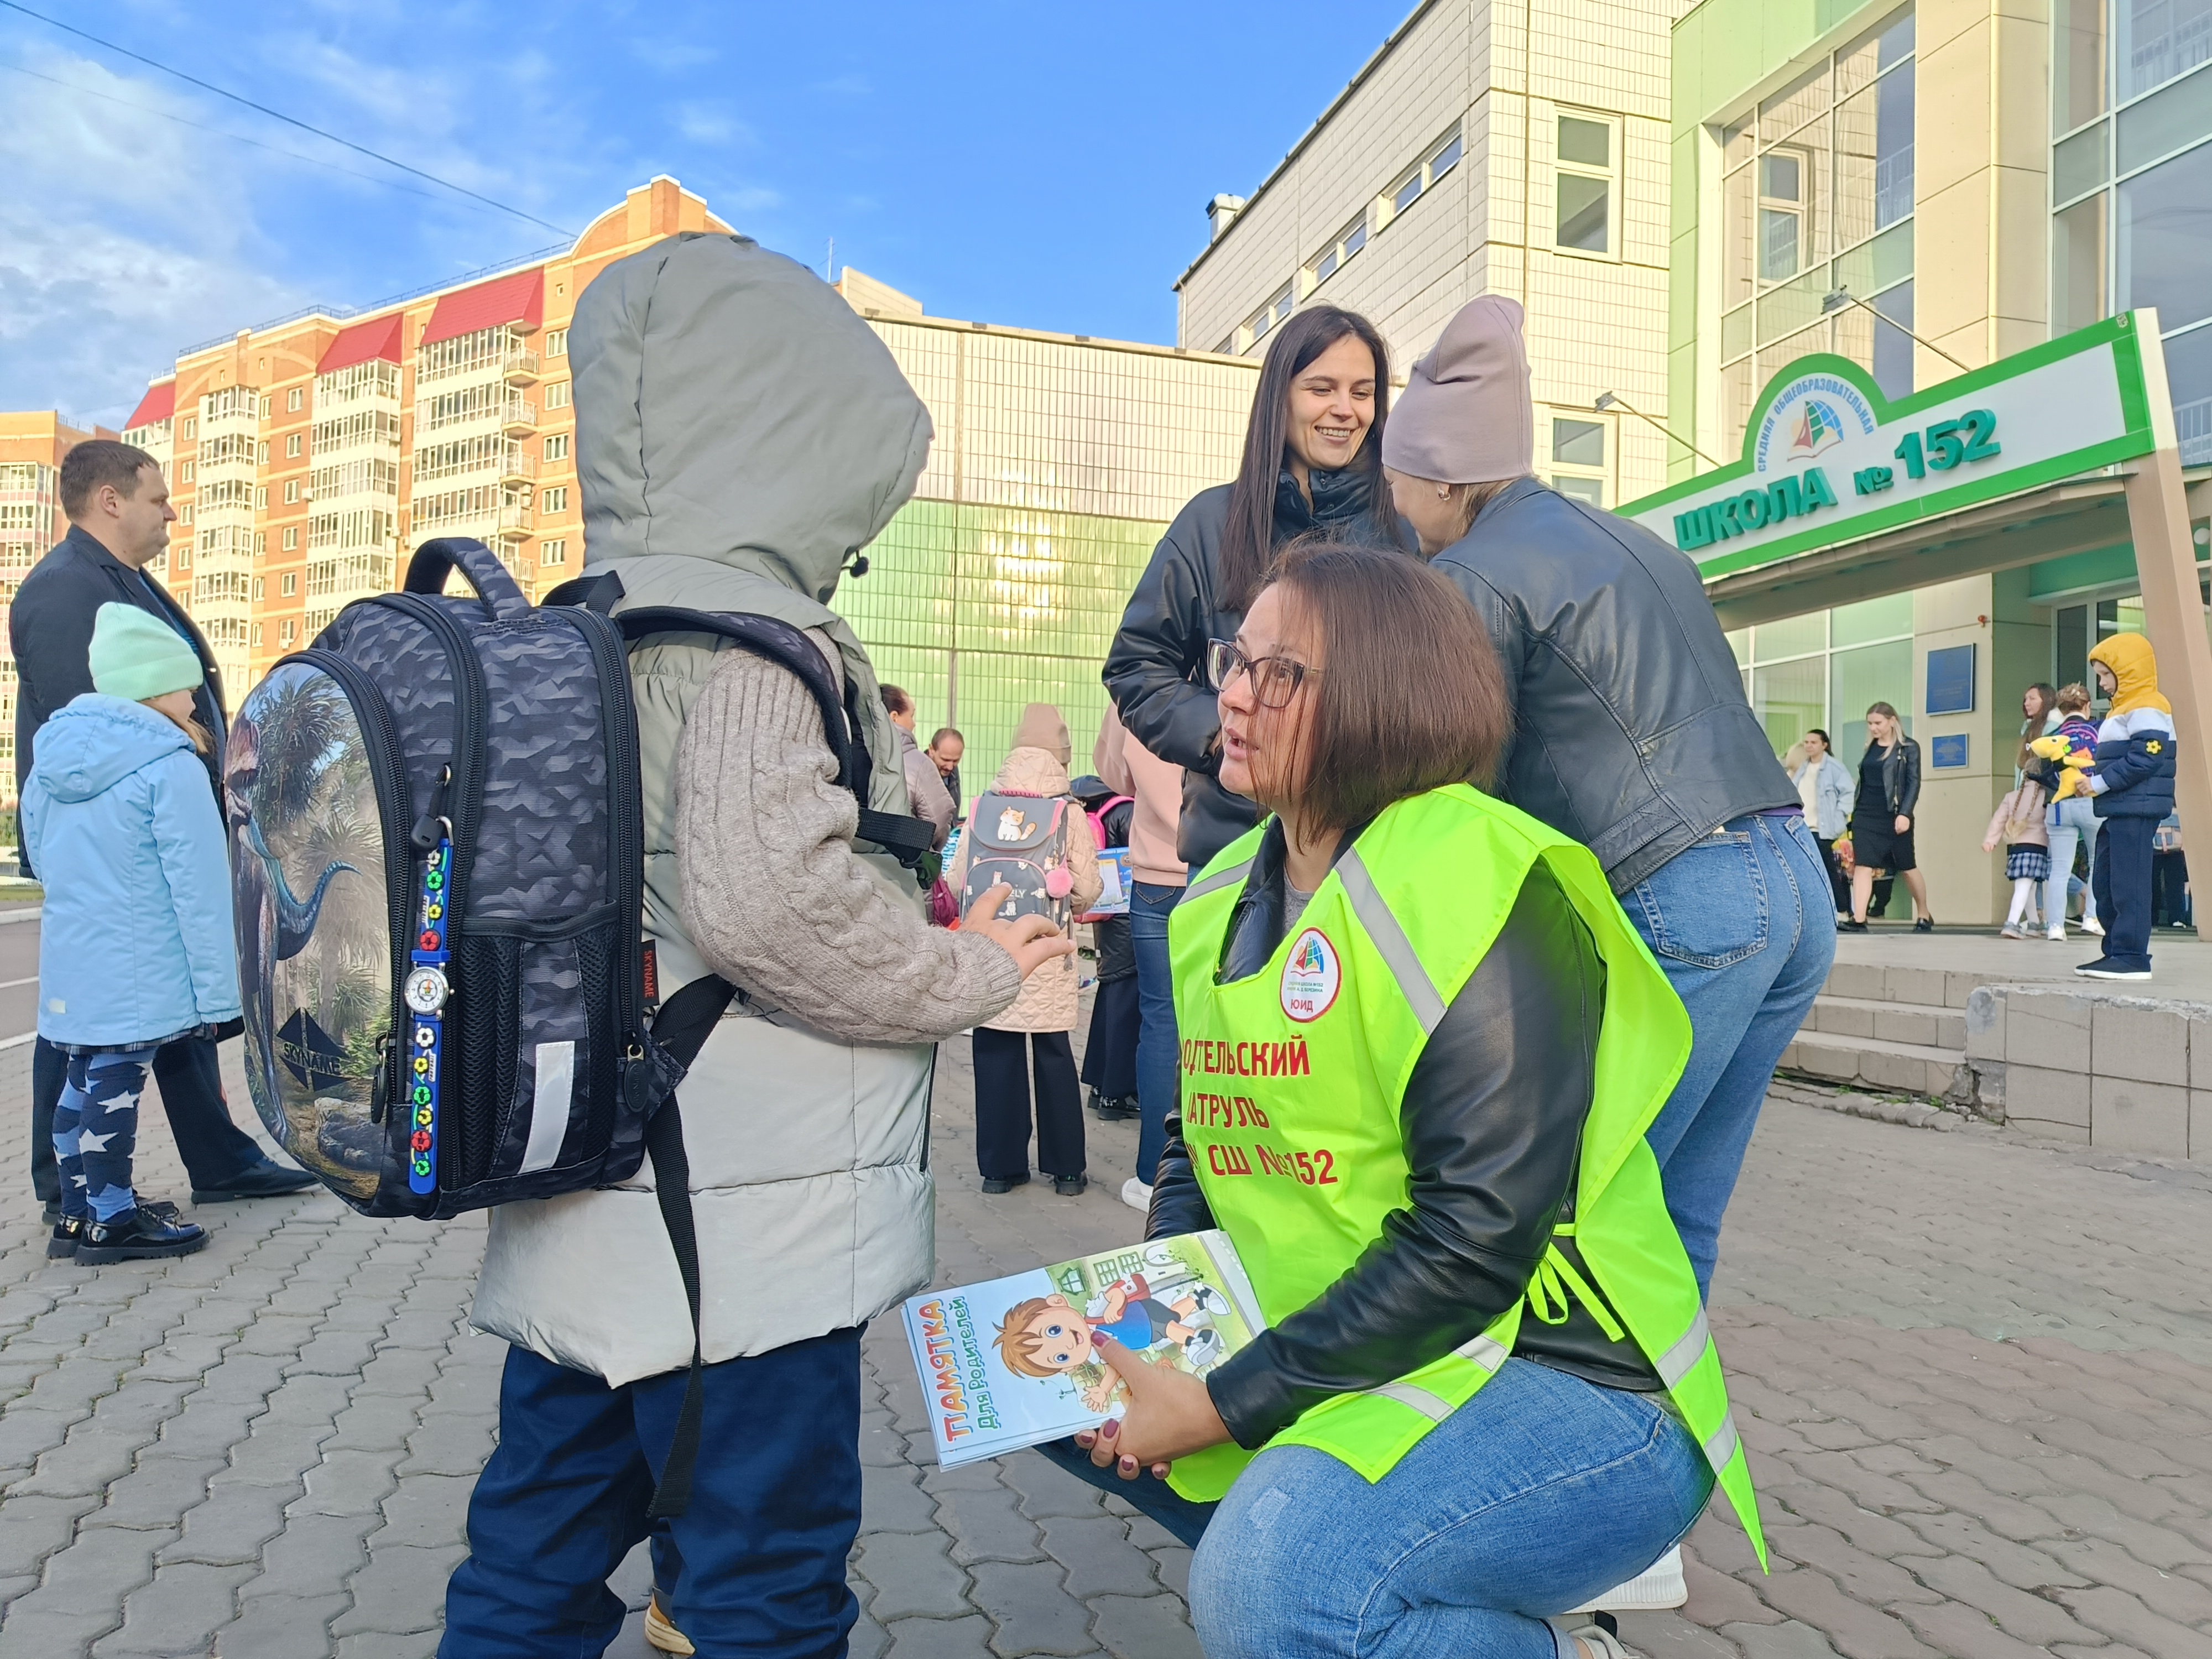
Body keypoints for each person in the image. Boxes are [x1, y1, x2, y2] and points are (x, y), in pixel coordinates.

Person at [444, 231, 1074, 1659]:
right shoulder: (753, 644)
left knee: (531, 1555)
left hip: (584, 1202)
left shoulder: (592, 624)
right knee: (762, 1584)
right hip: (745, 1240)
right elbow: (764, 904)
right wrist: (976, 969)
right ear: (807, 434)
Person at [1045, 542, 1764, 1659]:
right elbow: (1200, 1150)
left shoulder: (1478, 871)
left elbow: (1474, 1237)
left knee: (1272, 1581)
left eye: (1277, 673)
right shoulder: (1220, 899)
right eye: (1234, 658)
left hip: (1564, 1377)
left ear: (1383, 694)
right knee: (1064, 1394)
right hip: (1379, 1347)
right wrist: (1162, 1327)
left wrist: (1227, 1402)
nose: (1230, 692)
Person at [1380, 295, 1831, 1298]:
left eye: (1399, 485)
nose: (1396, 510)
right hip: (1794, 884)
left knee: (1586, 1216)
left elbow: (1461, 791)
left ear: (1444, 479)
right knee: (1677, 1218)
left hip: (1684, 894)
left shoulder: (1466, 578)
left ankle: (1569, 1440)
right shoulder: (1642, 544)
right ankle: (1678, 1440)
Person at [12, 440, 314, 1217]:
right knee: (84, 1019)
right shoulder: (63, 592)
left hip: (140, 836)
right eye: (157, 497)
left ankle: (218, 1160)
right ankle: (69, 1191)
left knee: (151, 1005)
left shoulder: (114, 582)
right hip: (117, 850)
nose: (172, 510)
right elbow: (92, 735)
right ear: (110, 500)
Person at [1104, 302, 1408, 878]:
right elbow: (1135, 667)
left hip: (1368, 851)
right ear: (1280, 397)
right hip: (1233, 850)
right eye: (1322, 388)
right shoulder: (1212, 522)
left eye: (1363, 392)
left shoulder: (1402, 529)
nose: (1345, 410)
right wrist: (1224, 733)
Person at [23, 604, 238, 1263]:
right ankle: (114, 1220)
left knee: (79, 1083)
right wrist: (220, 1000)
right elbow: (200, 889)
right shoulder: (168, 765)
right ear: (154, 686)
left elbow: (39, 853)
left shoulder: (51, 759)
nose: (195, 693)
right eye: (186, 681)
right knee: (116, 1088)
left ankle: (79, 1214)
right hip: (141, 964)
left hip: (73, 959)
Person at [950, 704, 1102, 1196]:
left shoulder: (982, 806)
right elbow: (1087, 889)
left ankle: (999, 1169)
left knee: (996, 1049)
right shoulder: (1068, 812)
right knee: (1055, 1056)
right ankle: (1066, 1172)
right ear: (1062, 756)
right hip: (1047, 949)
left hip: (991, 949)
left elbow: (957, 883)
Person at [1092, 702, 1184, 1213]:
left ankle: (1155, 1174)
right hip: (1238, 862)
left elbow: (1114, 772)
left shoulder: (1145, 676)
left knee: (1161, 1023)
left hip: (1156, 874)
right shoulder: (1245, 662)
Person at [2075, 633, 2175, 980]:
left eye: (2106, 674)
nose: (2101, 683)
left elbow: (2147, 756)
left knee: (2127, 884)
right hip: (2122, 807)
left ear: (2127, 671)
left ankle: (2132, 957)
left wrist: (2098, 782)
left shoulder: (2147, 705)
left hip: (2135, 808)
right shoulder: (2129, 708)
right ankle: (2118, 953)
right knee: (2107, 882)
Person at [1070, 774, 1139, 1121]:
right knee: (1130, 1010)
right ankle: (1117, 1094)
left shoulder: (1095, 811)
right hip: (1132, 920)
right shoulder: (1129, 812)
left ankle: (1099, 1086)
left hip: (1107, 919)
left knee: (1111, 1000)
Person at [1842, 703, 1932, 933]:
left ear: (1892, 721)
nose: (1873, 728)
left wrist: (1905, 813)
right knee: (1864, 865)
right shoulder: (1871, 747)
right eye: (1870, 723)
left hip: (1893, 815)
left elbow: (1914, 783)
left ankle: (1923, 913)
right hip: (1866, 814)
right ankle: (1860, 919)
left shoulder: (1908, 748)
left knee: (1907, 865)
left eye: (1878, 723)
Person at [2043, 684, 2105, 941]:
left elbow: (2041, 769)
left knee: (2059, 868)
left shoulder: (2053, 734)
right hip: (2092, 802)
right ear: (2088, 706)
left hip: (2060, 805)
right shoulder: (2098, 731)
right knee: (2097, 863)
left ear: (2060, 709)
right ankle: (2091, 918)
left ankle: (2056, 926)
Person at [880, 684, 953, 851]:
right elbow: (940, 819)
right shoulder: (918, 763)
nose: (914, 724)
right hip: (904, 865)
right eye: (912, 715)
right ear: (894, 718)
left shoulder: (853, 752)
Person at [1790, 729, 1855, 915]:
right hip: (1804, 827)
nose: (1809, 746)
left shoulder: (1834, 768)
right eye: (1806, 742)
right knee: (1825, 869)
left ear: (1824, 745)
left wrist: (1840, 816)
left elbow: (1848, 793)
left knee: (1821, 869)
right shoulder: (1803, 768)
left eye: (1814, 742)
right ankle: (1840, 908)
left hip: (1824, 830)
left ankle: (1839, 908)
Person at [1981, 773, 2051, 938]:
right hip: (2037, 848)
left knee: (2028, 887)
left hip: (2016, 848)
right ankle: (2012, 923)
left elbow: (1998, 819)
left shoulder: (2012, 797)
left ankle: (2034, 923)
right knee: (2025, 888)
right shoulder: (2046, 797)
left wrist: (1990, 840)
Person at [2152, 812, 2188, 930]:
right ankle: (2155, 917)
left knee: (2175, 884)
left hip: (2174, 848)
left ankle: (2176, 917)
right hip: (2161, 847)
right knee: (2153, 884)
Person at [927, 726, 965, 821]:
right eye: (945, 760)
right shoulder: (918, 772)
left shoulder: (952, 769)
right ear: (932, 750)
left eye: (956, 761)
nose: (950, 767)